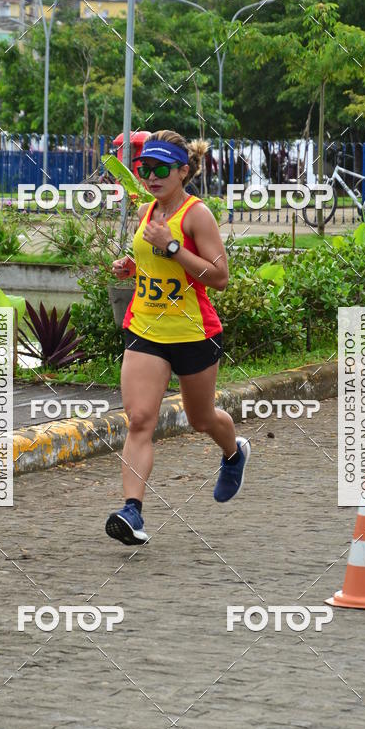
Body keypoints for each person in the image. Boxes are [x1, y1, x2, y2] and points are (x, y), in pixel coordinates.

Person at [105, 130, 250, 546]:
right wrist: (133, 266)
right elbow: (155, 262)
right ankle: (132, 511)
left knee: (201, 418)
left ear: (184, 171)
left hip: (193, 332)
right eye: (144, 169)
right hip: (146, 328)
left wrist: (171, 247)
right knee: (140, 420)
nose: (151, 176)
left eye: (161, 169)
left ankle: (233, 452)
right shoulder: (147, 211)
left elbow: (219, 277)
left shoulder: (195, 215)